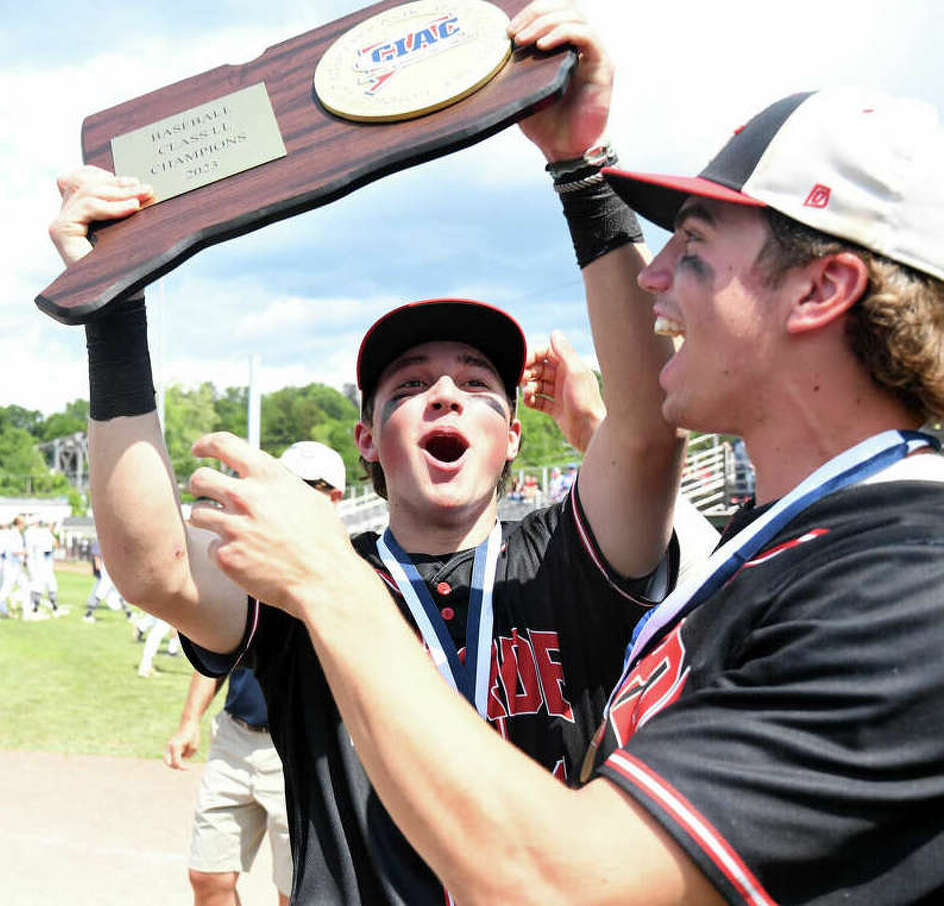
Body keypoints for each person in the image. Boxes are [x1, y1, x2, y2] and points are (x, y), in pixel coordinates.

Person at [183, 35, 944, 906]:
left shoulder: (908, 583)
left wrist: (327, 577)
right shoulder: (807, 543)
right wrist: (576, 162)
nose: (654, 275)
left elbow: (561, 886)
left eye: (692, 249)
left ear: (821, 290)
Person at [46, 5, 685, 899]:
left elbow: (650, 432)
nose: (446, 393)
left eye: (475, 382)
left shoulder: (567, 559)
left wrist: (579, 166)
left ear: (510, 439)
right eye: (411, 385)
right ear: (368, 444)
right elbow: (152, 568)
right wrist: (113, 306)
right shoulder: (311, 577)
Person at [164, 443, 347, 906]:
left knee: (296, 891)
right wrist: (189, 721)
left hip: (302, 748)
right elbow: (219, 651)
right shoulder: (252, 564)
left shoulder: (350, 573)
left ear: (335, 498)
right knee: (207, 878)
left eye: (310, 488)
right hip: (235, 738)